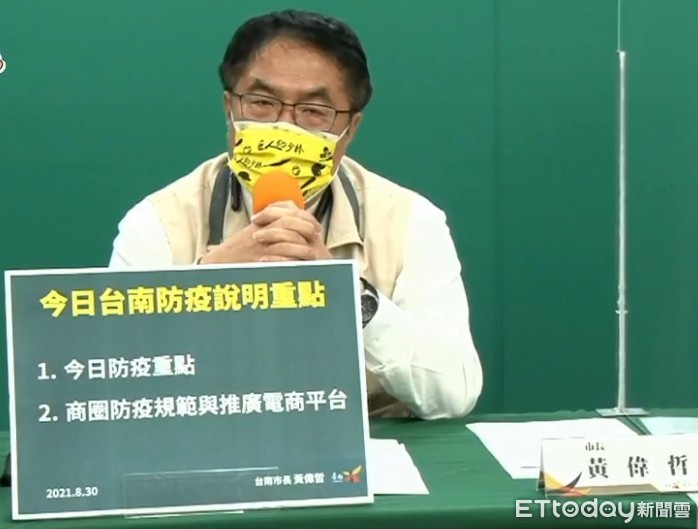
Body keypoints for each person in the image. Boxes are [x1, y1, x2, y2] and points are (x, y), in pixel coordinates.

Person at [108, 9, 483, 419]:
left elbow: (453, 394)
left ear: (350, 129)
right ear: (229, 108)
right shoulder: (157, 222)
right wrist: (203, 287)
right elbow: (113, 387)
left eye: (314, 111)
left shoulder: (411, 222)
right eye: (262, 103)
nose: (284, 128)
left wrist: (347, 294)